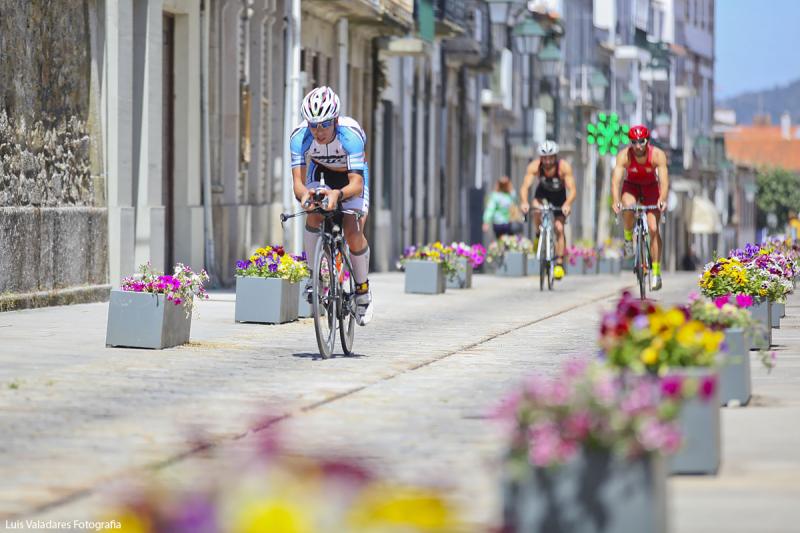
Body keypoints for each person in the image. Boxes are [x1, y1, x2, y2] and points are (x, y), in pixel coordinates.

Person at [290, 86, 373, 326]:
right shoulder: (299, 137)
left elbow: (356, 184)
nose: (318, 131)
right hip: (321, 173)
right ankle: (314, 275)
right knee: (313, 213)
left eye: (325, 125)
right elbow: (298, 185)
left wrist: (337, 194)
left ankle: (362, 291)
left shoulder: (350, 135)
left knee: (353, 230)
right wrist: (306, 196)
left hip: (350, 178)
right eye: (313, 125)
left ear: (335, 120)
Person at [611, 124, 669, 291]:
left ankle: (656, 273)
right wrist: (616, 201)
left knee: (653, 228)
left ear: (647, 141)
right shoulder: (624, 156)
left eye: (641, 141)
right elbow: (616, 181)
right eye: (634, 142)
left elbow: (664, 180)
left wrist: (662, 199)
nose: (637, 146)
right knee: (628, 207)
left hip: (651, 187)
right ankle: (628, 238)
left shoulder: (657, 155)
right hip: (632, 186)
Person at [519, 140, 576, 280]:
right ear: (541, 158)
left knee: (559, 228)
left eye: (550, 158)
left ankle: (559, 263)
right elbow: (525, 186)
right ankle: (538, 234)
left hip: (559, 197)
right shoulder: (535, 166)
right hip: (543, 194)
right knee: (536, 208)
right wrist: (524, 202)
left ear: (555, 157)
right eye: (545, 158)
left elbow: (573, 190)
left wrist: (567, 204)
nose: (548, 161)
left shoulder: (563, 167)